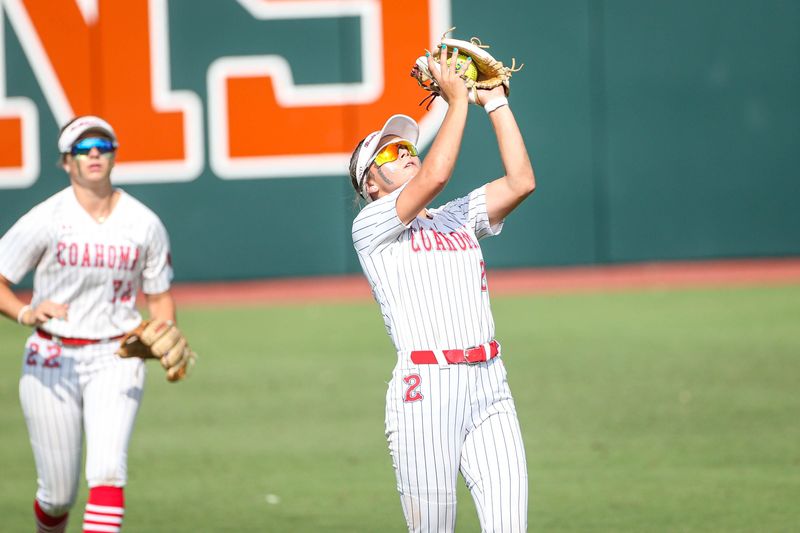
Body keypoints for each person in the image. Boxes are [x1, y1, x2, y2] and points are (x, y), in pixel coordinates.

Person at [348, 45, 536, 532]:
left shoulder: (455, 217)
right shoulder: (371, 226)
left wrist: (495, 103)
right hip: (425, 392)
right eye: (391, 153)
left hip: (490, 383)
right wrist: (455, 101)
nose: (407, 154)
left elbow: (520, 182)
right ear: (370, 184)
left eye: (408, 147)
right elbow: (436, 174)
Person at [0, 115, 180, 533]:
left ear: (114, 155)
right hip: (51, 354)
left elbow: (158, 295)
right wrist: (26, 312)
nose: (94, 153)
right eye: (83, 148)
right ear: (67, 162)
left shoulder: (144, 222)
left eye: (102, 146)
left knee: (107, 472)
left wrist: (164, 329)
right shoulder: (47, 217)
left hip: (117, 354)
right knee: (57, 494)